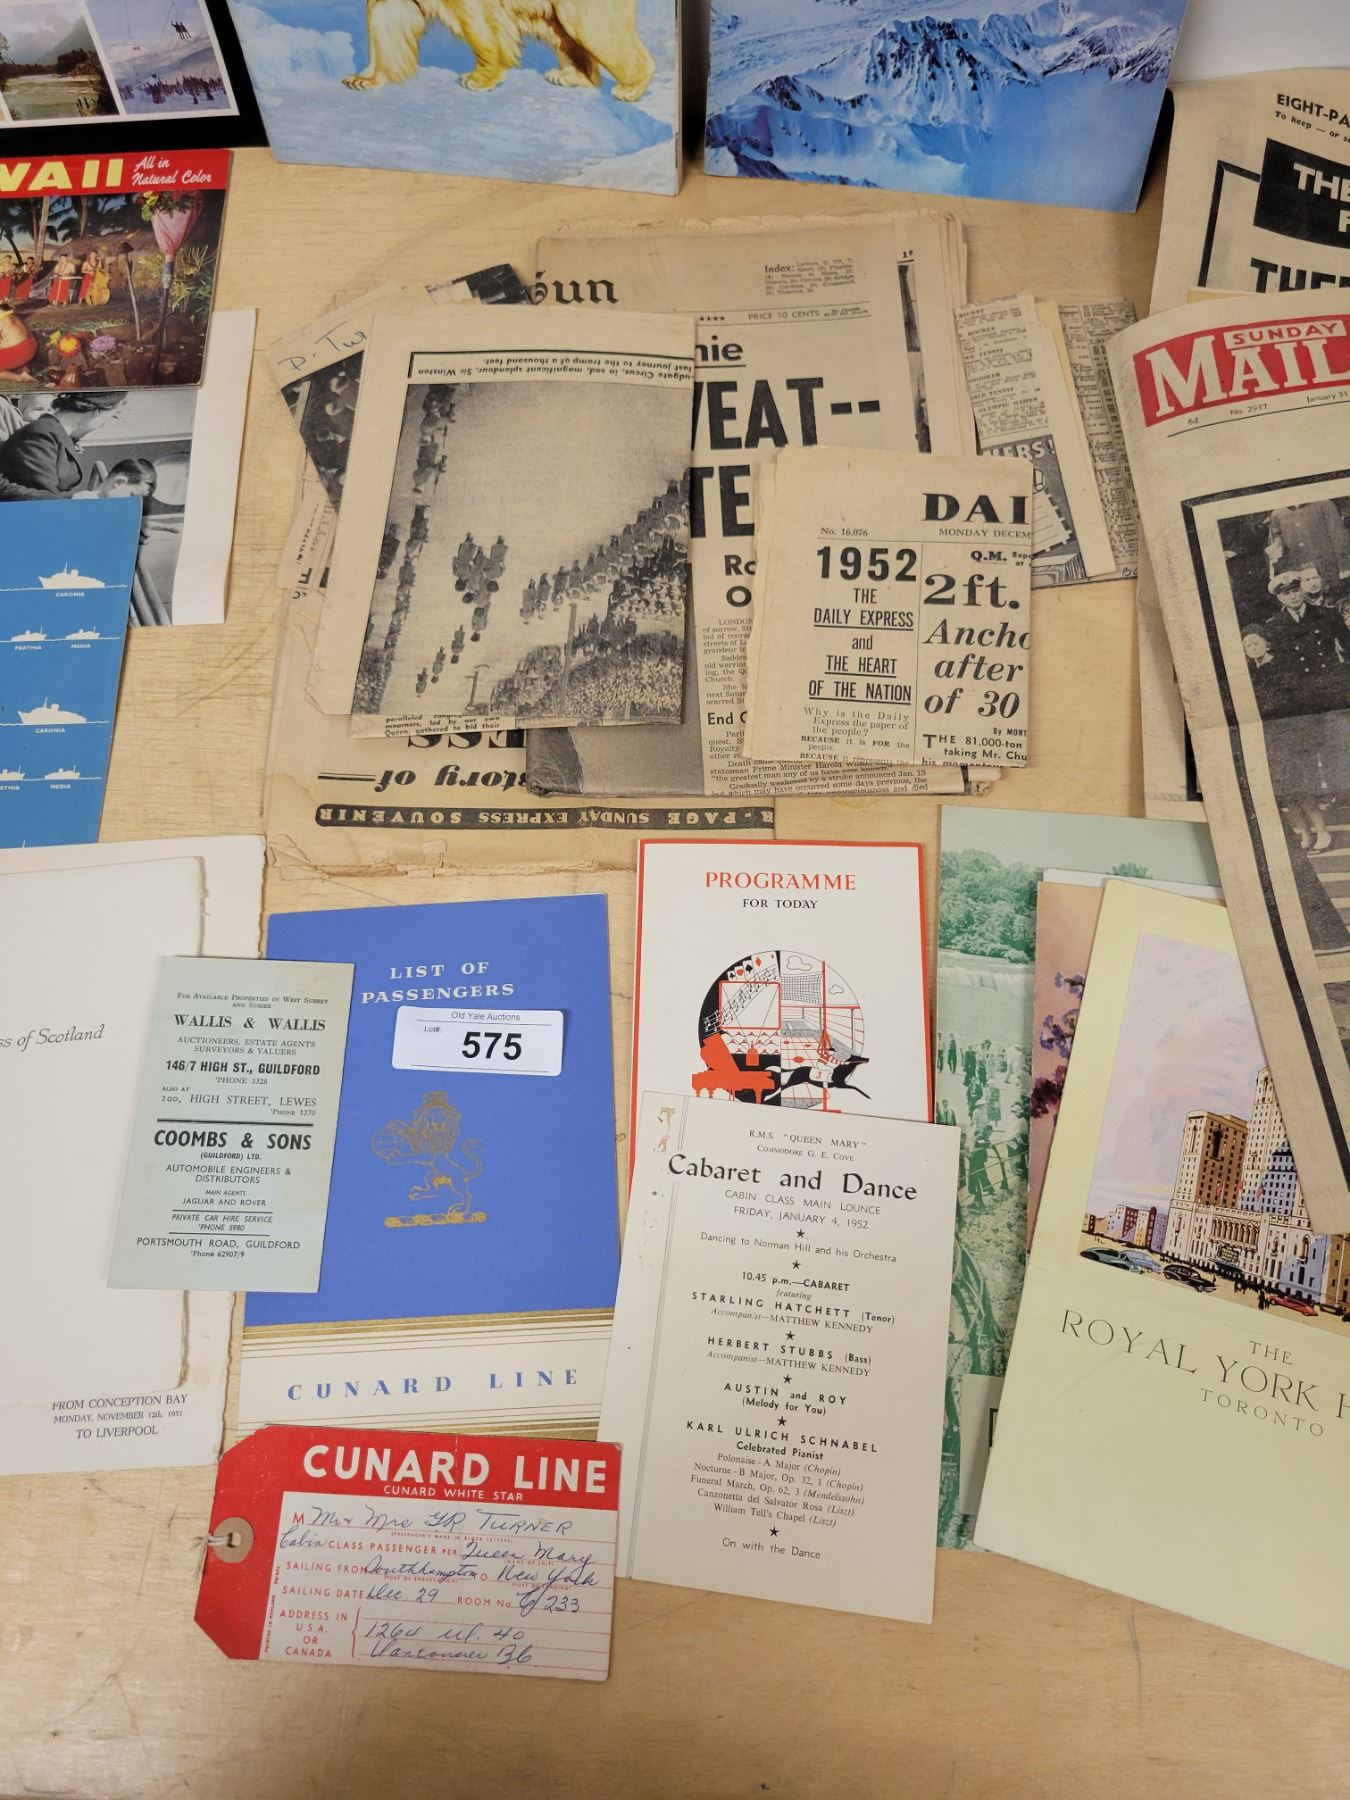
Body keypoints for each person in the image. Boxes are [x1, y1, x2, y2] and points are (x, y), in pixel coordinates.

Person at [0, 392, 123, 497]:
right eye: (113, 416)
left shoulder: (55, 432)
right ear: (98, 412)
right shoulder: (40, 434)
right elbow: (45, 503)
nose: (103, 425)